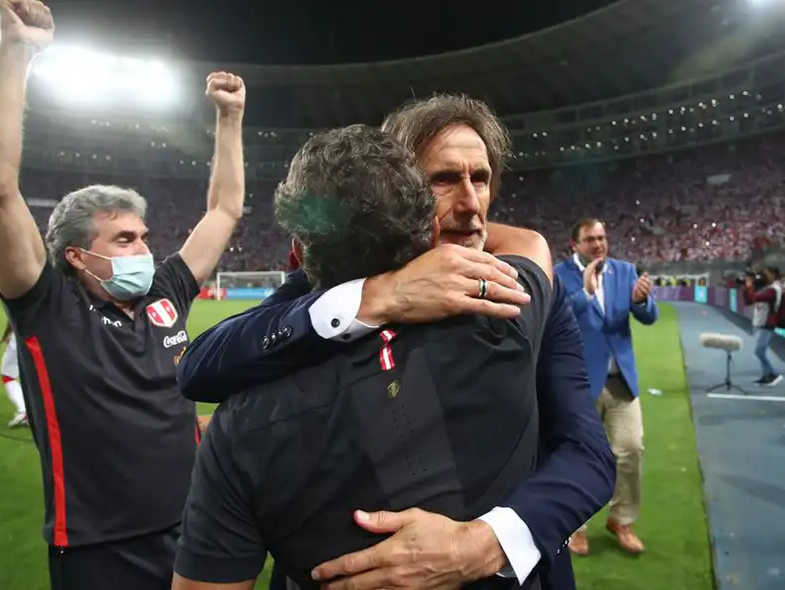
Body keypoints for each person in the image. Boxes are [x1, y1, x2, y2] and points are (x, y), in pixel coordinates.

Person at [177, 95, 614, 590]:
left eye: (482, 178)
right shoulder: (328, 288)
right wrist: (379, 296)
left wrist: (485, 542)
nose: (471, 203)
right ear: (399, 190)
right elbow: (202, 364)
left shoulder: (519, 292)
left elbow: (588, 454)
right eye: (445, 180)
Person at [0, 1, 245, 588]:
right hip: (101, 547)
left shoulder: (166, 294)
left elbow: (223, 209)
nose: (145, 249)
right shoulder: (49, 305)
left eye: (144, 236)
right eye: (124, 239)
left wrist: (229, 118)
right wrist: (17, 49)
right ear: (75, 254)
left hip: (196, 524)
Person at [554, 218, 657, 556]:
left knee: (631, 450)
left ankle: (621, 520)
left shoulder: (625, 271)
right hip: (580, 384)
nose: (598, 244)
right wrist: (584, 291)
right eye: (590, 239)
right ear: (575, 244)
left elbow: (648, 316)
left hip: (621, 382)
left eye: (602, 237)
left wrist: (642, 301)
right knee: (578, 457)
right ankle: (576, 526)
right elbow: (558, 316)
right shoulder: (559, 274)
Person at [742, 266, 785, 388]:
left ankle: (772, 373)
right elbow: (749, 301)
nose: (763, 277)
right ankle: (766, 375)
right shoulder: (767, 288)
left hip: (766, 323)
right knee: (760, 350)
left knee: (759, 350)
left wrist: (750, 286)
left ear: (773, 275)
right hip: (760, 321)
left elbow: (754, 298)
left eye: (765, 274)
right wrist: (747, 287)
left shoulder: (773, 289)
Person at [0, 320, 27, 427]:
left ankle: (23, 411)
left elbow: (12, 318)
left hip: (20, 336)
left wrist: (6, 335)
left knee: (7, 377)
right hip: (41, 336)